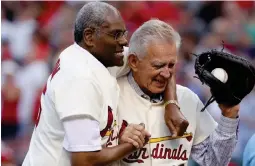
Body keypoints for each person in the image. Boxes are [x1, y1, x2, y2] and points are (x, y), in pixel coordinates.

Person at [22, 2, 187, 166]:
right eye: (115, 35)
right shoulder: (80, 79)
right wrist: (131, 144)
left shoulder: (101, 57)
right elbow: (84, 160)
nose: (123, 41)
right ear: (89, 37)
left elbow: (158, 61)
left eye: (123, 33)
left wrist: (171, 104)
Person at [116, 19, 240, 166]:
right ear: (134, 62)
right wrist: (117, 144)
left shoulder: (187, 99)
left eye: (171, 65)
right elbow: (86, 156)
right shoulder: (112, 95)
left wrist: (229, 116)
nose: (166, 74)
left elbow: (214, 162)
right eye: (158, 65)